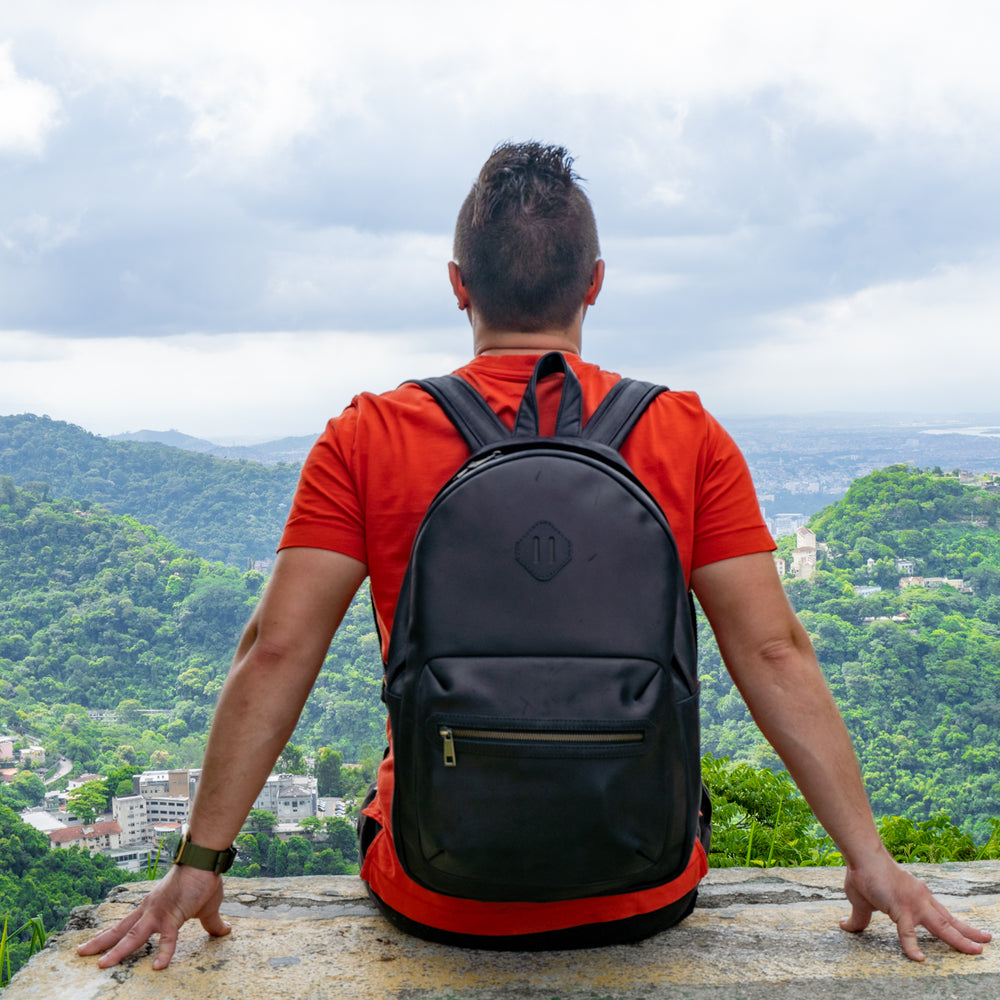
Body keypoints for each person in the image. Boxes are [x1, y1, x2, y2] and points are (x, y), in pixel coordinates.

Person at [80, 141, 991, 969]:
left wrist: (198, 862)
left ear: (456, 282)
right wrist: (871, 860)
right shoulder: (682, 433)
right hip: (643, 891)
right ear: (594, 282)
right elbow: (773, 650)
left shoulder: (368, 434)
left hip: (438, 893)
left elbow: (275, 651)